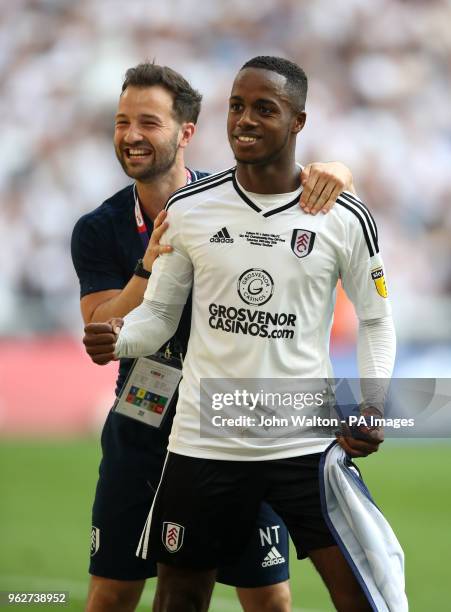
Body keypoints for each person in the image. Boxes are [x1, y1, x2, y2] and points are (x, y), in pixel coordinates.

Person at [83, 56, 397, 611]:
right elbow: (157, 315)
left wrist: (373, 404)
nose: (244, 120)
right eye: (236, 106)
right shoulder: (190, 211)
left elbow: (376, 319)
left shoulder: (342, 215)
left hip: (299, 433)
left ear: (298, 121)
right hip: (200, 437)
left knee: (356, 591)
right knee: (175, 593)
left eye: (263, 109)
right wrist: (120, 338)